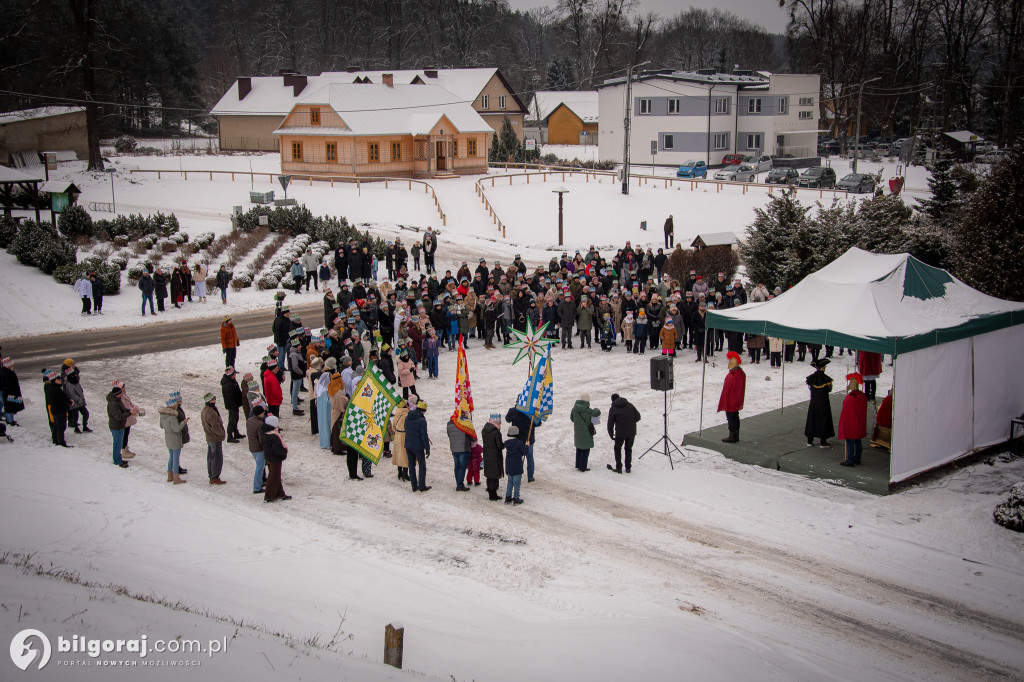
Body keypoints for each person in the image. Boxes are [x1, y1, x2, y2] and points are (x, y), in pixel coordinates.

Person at [839, 372, 868, 466]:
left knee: (850, 441)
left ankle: (850, 460)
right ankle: (857, 458)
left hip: (851, 423)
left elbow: (845, 412)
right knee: (858, 441)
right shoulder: (862, 396)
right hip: (859, 423)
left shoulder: (850, 398)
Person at [159, 392, 189, 484]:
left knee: (171, 457)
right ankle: (176, 478)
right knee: (176, 459)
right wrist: (184, 422)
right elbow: (177, 429)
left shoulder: (162, 415)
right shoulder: (172, 417)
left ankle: (170, 475)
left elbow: (161, 426)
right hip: (175, 439)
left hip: (168, 438)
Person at [805, 358, 835, 448]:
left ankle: (809, 441)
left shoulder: (811, 378)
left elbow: (810, 388)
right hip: (823, 402)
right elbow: (830, 389)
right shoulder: (826, 379)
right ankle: (823, 442)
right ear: (822, 368)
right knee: (824, 420)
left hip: (814, 402)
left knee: (812, 420)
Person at [606, 393, 641, 473]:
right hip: (631, 431)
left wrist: (611, 434)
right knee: (628, 449)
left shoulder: (613, 409)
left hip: (620, 433)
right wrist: (630, 423)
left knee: (617, 448)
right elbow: (638, 417)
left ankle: (619, 467)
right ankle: (628, 467)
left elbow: (610, 423)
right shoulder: (630, 405)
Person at [717, 351, 746, 443]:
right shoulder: (741, 373)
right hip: (737, 398)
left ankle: (732, 435)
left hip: (731, 400)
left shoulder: (732, 375)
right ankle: (736, 434)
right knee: (735, 416)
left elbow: (727, 389)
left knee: (731, 417)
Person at [505, 406, 540, 482]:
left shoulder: (513, 411)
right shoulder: (531, 412)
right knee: (529, 458)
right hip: (528, 439)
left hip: (517, 438)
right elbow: (538, 423)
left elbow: (507, 419)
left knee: (516, 457)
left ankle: (515, 475)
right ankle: (530, 476)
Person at [262, 415, 292, 502]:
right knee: (273, 477)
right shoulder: (274, 436)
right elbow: (278, 449)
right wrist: (284, 452)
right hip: (275, 459)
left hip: (270, 457)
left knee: (276, 476)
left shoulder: (265, 434)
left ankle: (280, 494)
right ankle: (269, 496)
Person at [106, 382, 134, 469]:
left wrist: (129, 411)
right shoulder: (113, 404)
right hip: (116, 426)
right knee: (117, 445)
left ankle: (119, 458)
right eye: (121, 393)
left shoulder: (117, 400)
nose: (122, 394)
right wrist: (129, 413)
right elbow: (119, 416)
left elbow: (123, 410)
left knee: (119, 443)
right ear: (117, 394)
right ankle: (117, 461)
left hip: (120, 426)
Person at [570, 392, 601, 472]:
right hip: (586, 433)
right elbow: (597, 413)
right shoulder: (588, 410)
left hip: (577, 433)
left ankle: (578, 465)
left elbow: (572, 419)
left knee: (579, 449)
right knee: (585, 450)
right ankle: (583, 467)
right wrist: (596, 409)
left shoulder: (574, 409)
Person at [405, 399, 431, 492]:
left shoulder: (407, 417)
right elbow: (424, 435)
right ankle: (421, 485)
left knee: (411, 466)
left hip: (408, 444)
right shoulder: (422, 421)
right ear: (423, 411)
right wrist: (427, 448)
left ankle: (414, 485)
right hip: (418, 446)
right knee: (422, 465)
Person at [201, 393, 227, 485]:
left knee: (211, 457)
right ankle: (215, 477)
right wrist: (222, 433)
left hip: (209, 437)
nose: (215, 401)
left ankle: (212, 475)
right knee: (216, 458)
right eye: (213, 399)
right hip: (215, 438)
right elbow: (215, 427)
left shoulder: (205, 410)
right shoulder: (211, 412)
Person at [44, 369, 72, 447]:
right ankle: (61, 442)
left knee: (57, 426)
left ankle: (55, 440)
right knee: (61, 426)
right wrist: (69, 402)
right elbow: (62, 398)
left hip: (56, 410)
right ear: (55, 380)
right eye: (59, 379)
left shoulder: (52, 387)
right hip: (59, 410)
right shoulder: (56, 389)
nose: (60, 381)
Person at [62, 359, 91, 434]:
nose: (76, 376)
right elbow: (71, 394)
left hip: (80, 400)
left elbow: (80, 390)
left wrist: (81, 397)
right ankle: (75, 427)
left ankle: (84, 426)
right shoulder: (68, 383)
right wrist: (79, 399)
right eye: (72, 363)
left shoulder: (76, 382)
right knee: (75, 415)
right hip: (74, 402)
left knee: (86, 414)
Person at [481, 413, 505, 500]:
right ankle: (493, 495)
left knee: (489, 475)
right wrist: (505, 445)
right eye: (499, 422)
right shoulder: (496, 432)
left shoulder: (484, 430)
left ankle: (490, 491)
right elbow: (499, 445)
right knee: (494, 475)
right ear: (496, 422)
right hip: (495, 456)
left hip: (487, 454)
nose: (500, 423)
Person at [447, 418, 474, 491]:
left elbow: (449, 435)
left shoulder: (449, 423)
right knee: (462, 467)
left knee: (457, 466)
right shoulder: (465, 423)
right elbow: (471, 436)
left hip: (454, 448)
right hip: (463, 448)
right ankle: (460, 485)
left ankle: (458, 483)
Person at [504, 425, 528, 505]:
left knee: (510, 482)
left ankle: (508, 497)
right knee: (516, 483)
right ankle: (516, 498)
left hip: (509, 466)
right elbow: (524, 452)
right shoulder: (519, 443)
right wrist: (526, 446)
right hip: (517, 467)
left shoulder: (507, 443)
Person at [246, 404, 267, 494]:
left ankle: (260, 483)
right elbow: (261, 439)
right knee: (260, 468)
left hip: (252, 447)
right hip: (259, 449)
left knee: (260, 467)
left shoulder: (249, 420)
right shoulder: (259, 424)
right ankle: (257, 487)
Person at [221, 366, 244, 443]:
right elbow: (230, 397)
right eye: (234, 374)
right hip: (232, 406)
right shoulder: (228, 384)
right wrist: (234, 405)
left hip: (235, 404)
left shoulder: (231, 380)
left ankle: (236, 433)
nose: (235, 375)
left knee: (235, 418)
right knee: (232, 420)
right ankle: (230, 436)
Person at [0, 357, 25, 426]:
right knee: (9, 407)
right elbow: (8, 385)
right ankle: (10, 421)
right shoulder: (6, 373)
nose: (12, 366)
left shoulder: (6, 371)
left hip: (9, 393)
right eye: (11, 365)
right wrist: (13, 393)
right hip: (9, 393)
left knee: (9, 406)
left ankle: (9, 419)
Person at [391, 399, 410, 482]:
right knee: (405, 455)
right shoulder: (406, 415)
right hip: (404, 435)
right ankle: (405, 473)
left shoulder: (397, 414)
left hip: (397, 435)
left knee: (398, 454)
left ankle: (399, 472)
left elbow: (393, 427)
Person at [288, 339, 306, 415]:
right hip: (297, 376)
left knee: (296, 391)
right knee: (295, 392)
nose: (301, 346)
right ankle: (295, 408)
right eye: (299, 345)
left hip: (298, 376)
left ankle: (295, 408)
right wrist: (301, 372)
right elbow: (295, 367)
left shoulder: (296, 353)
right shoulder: (294, 355)